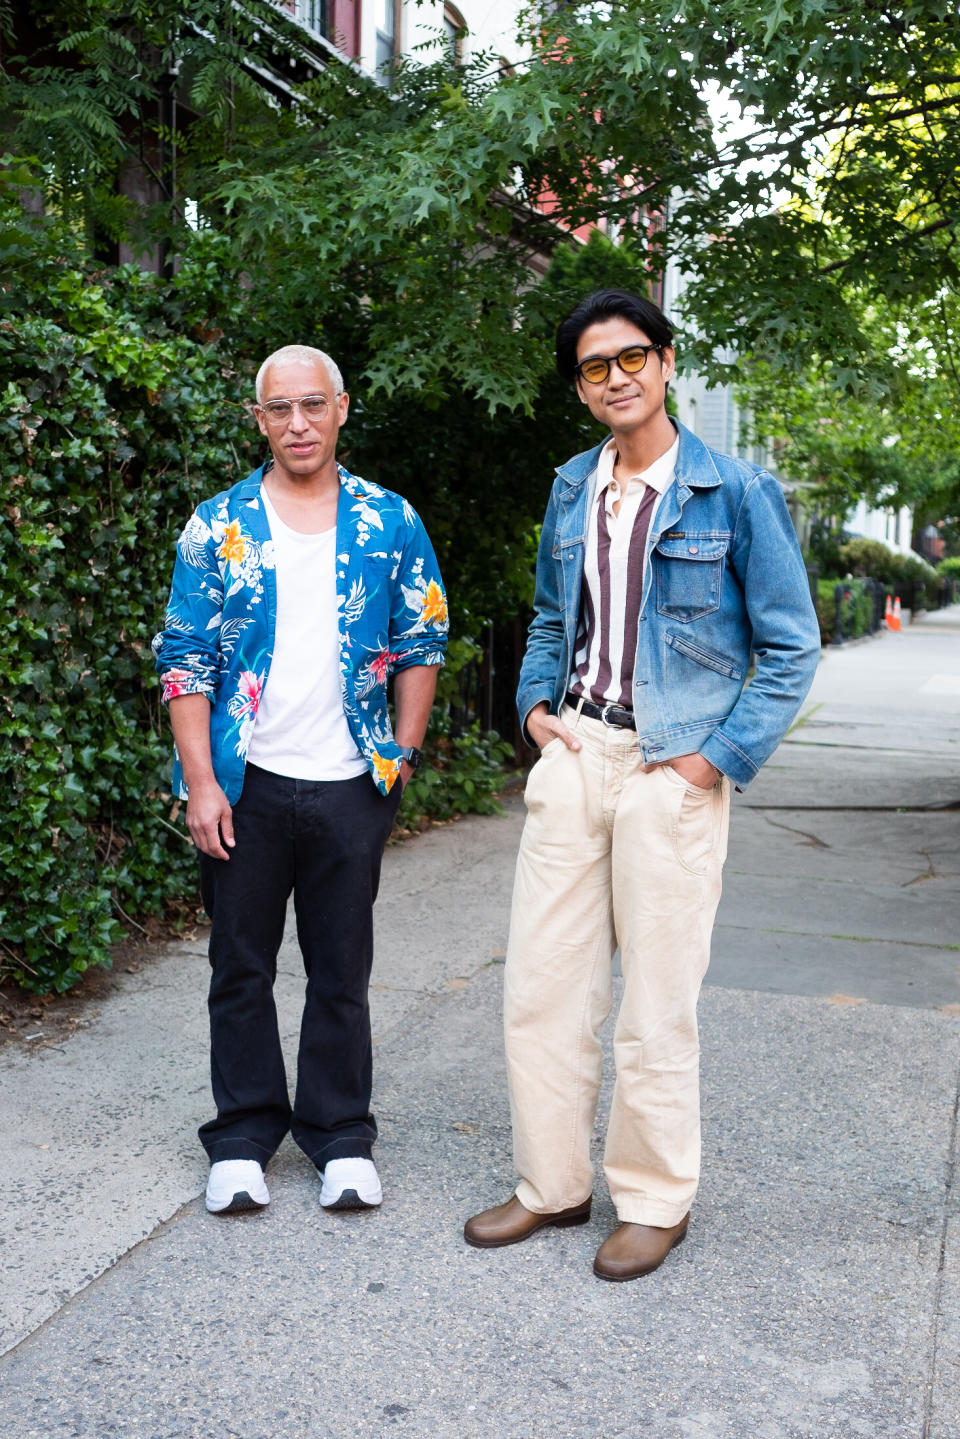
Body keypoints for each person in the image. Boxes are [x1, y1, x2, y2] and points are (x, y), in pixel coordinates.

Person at [464, 289, 820, 1280]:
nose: (615, 377)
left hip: (674, 766)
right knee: (542, 985)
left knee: (656, 1000)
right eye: (593, 366)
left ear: (665, 364)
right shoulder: (572, 487)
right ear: (579, 388)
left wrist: (716, 758)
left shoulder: (736, 491)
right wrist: (537, 711)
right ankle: (552, 1184)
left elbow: (790, 649)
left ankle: (656, 1198)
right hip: (577, 755)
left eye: (631, 358)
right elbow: (547, 613)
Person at [153, 344, 447, 1216]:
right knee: (238, 964)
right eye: (279, 409)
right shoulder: (219, 524)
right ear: (260, 419)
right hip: (246, 784)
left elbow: (422, 638)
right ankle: (242, 1136)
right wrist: (202, 782)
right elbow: (184, 662)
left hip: (352, 778)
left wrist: (401, 754)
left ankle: (340, 1136)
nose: (298, 424)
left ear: (343, 408)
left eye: (312, 405)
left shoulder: (389, 520)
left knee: (341, 967)